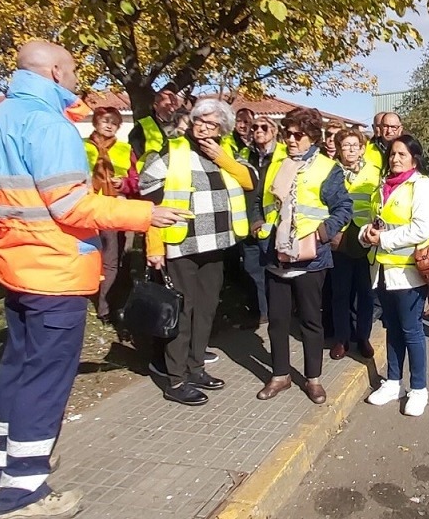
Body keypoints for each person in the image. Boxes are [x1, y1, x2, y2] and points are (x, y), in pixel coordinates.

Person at [0, 41, 181, 519]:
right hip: (55, 270)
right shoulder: (49, 126)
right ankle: (23, 495)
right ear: (54, 70)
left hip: (16, 267)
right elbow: (73, 206)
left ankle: (7, 465)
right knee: (46, 382)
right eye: (71, 69)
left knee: (19, 370)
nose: (75, 77)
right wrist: (145, 214)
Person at [145, 99, 255, 406]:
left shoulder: (226, 153)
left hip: (216, 244)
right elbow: (149, 200)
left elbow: (249, 181)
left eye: (212, 124)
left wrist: (222, 158)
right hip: (181, 245)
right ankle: (176, 378)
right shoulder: (173, 150)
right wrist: (154, 246)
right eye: (200, 121)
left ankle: (196, 367)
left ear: (223, 129)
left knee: (205, 310)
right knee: (183, 311)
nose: (204, 128)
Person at [254, 107, 353, 404]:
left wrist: (322, 234)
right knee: (278, 321)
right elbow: (261, 200)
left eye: (298, 135)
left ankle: (313, 379)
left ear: (312, 137)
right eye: (288, 134)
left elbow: (344, 208)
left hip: (311, 258)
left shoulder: (327, 168)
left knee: (311, 321)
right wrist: (259, 223)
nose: (291, 140)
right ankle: (280, 375)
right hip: (276, 255)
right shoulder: (276, 163)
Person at [360, 135, 429, 417]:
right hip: (381, 271)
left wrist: (383, 238)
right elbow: (375, 222)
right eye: (392, 154)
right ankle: (393, 382)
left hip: (408, 273)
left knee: (411, 331)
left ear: (414, 159)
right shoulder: (383, 186)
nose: (395, 159)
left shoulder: (422, 186)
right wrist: (366, 235)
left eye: (402, 154)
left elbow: (422, 229)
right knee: (391, 329)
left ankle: (419, 389)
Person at [83, 106, 136, 328]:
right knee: (104, 259)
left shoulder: (125, 148)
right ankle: (105, 307)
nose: (109, 125)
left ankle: (114, 303)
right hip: (91, 209)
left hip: (118, 208)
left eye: (114, 122)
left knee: (121, 256)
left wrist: (123, 184)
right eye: (105, 120)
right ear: (95, 122)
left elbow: (136, 179)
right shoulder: (82, 147)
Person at [328, 129, 378, 360]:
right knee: (340, 292)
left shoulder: (374, 172)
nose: (350, 149)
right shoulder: (329, 171)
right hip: (339, 238)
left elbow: (378, 204)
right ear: (338, 148)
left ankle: (363, 337)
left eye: (354, 145)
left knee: (365, 292)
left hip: (365, 238)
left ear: (362, 148)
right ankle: (341, 339)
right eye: (345, 145)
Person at [237, 113, 282, 322]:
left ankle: (278, 311)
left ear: (273, 131)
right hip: (249, 219)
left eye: (264, 128)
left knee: (273, 270)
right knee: (251, 269)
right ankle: (260, 312)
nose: (258, 132)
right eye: (254, 128)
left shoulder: (283, 155)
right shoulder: (244, 155)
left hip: (275, 222)